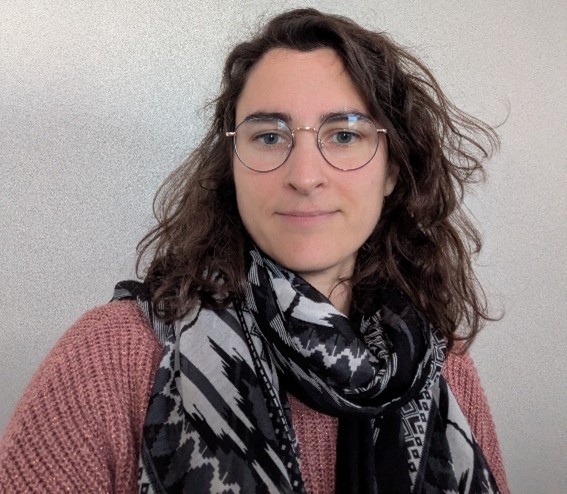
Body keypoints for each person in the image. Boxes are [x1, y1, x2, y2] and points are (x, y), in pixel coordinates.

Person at [0, 8, 509, 494]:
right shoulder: (113, 356)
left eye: (344, 134)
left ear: (392, 170)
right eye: (269, 136)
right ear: (232, 163)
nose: (305, 176)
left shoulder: (442, 366)